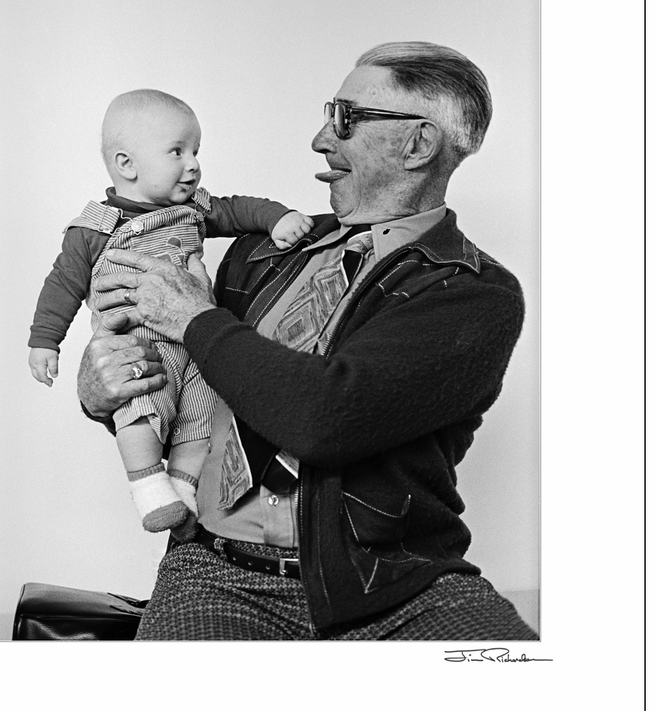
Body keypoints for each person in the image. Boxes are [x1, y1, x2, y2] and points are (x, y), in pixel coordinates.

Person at [77, 43, 538, 640]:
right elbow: (187, 372)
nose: (321, 139)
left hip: (397, 584)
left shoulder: (476, 294)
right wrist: (99, 384)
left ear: (418, 144)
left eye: (345, 117)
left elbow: (326, 416)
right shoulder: (263, 250)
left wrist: (193, 315)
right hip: (215, 572)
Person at [28, 88, 313, 538]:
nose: (194, 164)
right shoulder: (95, 227)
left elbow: (240, 210)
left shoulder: (193, 209)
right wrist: (45, 341)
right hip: (138, 344)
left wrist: (279, 218)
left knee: (202, 416)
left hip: (198, 342)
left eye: (196, 150)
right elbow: (62, 285)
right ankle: (148, 487)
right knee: (140, 407)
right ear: (127, 165)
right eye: (177, 151)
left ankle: (182, 490)